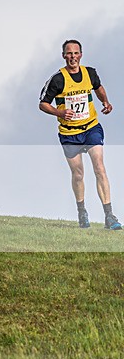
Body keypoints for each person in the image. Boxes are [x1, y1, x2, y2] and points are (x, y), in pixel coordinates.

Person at [39, 39, 121, 229]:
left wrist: (105, 102)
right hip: (69, 133)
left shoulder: (89, 73)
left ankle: (109, 216)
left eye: (76, 53)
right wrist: (59, 112)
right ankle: (82, 212)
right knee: (78, 174)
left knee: (99, 167)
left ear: (81, 55)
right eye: (69, 53)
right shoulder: (57, 79)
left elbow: (98, 88)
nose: (73, 57)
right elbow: (43, 104)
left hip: (91, 128)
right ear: (63, 56)